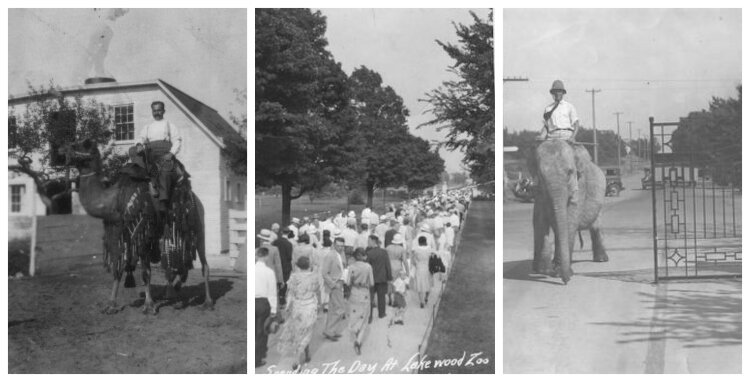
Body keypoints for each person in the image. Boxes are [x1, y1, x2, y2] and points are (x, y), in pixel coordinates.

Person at [134, 101, 183, 216]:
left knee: (165, 171)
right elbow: (140, 138)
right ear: (152, 111)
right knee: (136, 165)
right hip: (150, 153)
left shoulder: (169, 125)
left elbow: (177, 140)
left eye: (159, 110)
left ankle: (163, 201)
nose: (157, 112)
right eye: (154, 110)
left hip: (164, 154)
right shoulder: (148, 127)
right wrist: (139, 145)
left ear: (164, 111)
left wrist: (171, 153)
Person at [276, 256, 320, 371]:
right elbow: (317, 291)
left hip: (297, 307)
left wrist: (287, 307)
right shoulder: (314, 276)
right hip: (310, 306)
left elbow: (290, 293)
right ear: (309, 265)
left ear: (298, 266)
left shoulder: (294, 277)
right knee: (307, 331)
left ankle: (305, 353)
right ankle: (298, 358)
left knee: (298, 332)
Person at [347, 248, 374, 355]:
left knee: (354, 315)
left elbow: (348, 282)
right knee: (364, 318)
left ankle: (355, 331)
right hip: (365, 293)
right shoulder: (368, 267)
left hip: (354, 293)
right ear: (363, 256)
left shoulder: (351, 267)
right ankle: (358, 341)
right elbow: (371, 283)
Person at [321, 237, 347, 341]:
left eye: (342, 246)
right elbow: (324, 273)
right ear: (334, 245)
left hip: (339, 282)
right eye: (338, 245)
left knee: (332, 309)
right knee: (340, 308)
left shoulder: (340, 254)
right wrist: (333, 284)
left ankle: (329, 330)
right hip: (335, 283)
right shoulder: (330, 255)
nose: (340, 248)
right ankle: (330, 330)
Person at [255, 247, 277, 368]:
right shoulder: (269, 272)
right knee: (262, 331)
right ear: (266, 257)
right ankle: (258, 357)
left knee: (253, 330)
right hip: (263, 303)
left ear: (257, 256)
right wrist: (273, 310)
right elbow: (272, 292)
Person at [366, 235, 392, 320]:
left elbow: (367, 266)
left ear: (374, 241)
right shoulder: (383, 252)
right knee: (381, 297)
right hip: (382, 277)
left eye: (369, 240)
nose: (368, 242)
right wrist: (389, 277)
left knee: (370, 297)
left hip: (371, 278)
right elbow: (387, 265)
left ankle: (370, 316)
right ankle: (382, 313)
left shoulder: (369, 253)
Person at [257, 229, 283, 297]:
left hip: (259, 276)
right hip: (272, 275)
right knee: (272, 295)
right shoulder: (275, 249)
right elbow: (278, 265)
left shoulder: (257, 250)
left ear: (261, 239)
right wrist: (280, 280)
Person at [411, 236, 434, 309]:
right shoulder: (430, 249)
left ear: (419, 242)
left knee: (420, 286)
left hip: (419, 268)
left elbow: (413, 261)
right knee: (428, 284)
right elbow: (433, 258)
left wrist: (417, 264)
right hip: (428, 268)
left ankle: (421, 302)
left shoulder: (416, 250)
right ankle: (426, 297)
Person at [273, 228, 294, 307]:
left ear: (281, 232)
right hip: (285, 265)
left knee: (276, 281)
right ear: (288, 233)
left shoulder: (275, 242)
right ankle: (282, 298)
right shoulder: (288, 244)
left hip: (276, 264)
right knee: (284, 282)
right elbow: (289, 257)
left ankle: (276, 298)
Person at [385, 233, 407, 306]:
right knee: (397, 284)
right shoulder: (401, 249)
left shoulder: (388, 247)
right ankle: (395, 299)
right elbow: (404, 260)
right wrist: (407, 270)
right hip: (398, 265)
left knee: (389, 283)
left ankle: (389, 298)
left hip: (388, 264)